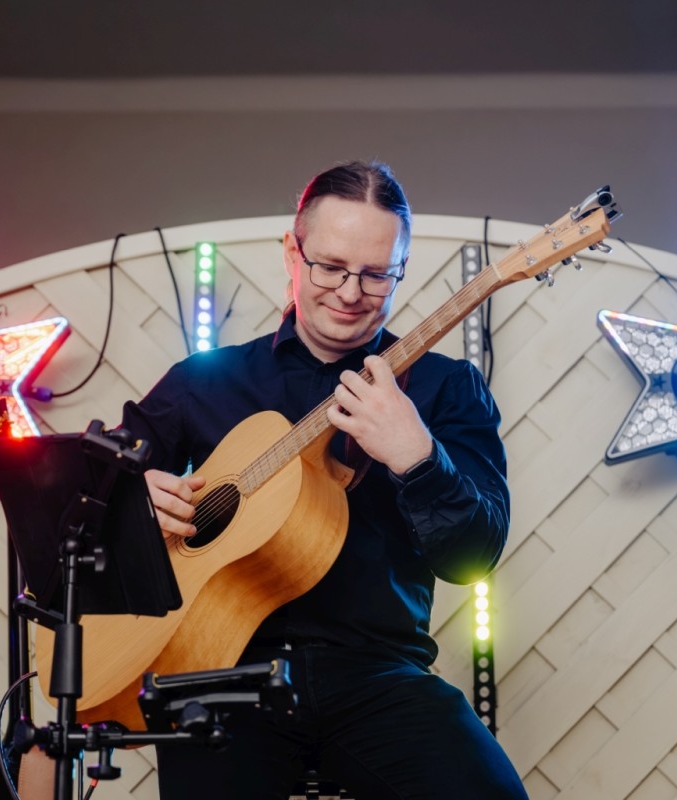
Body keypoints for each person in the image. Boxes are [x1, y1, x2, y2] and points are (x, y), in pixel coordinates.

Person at [121, 160, 528, 799]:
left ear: (401, 269)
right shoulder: (206, 380)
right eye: (331, 267)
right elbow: (82, 500)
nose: (349, 292)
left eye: (376, 274)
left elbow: (474, 558)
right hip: (221, 673)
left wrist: (418, 456)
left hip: (379, 676)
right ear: (293, 252)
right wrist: (130, 504)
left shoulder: (446, 387)